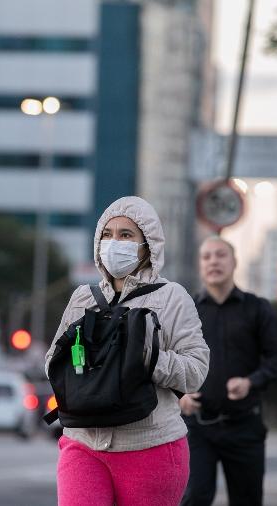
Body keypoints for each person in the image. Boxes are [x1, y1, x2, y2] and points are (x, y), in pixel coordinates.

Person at [45, 196, 210, 506]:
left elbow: (196, 371)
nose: (114, 242)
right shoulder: (83, 297)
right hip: (82, 442)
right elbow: (51, 362)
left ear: (147, 245)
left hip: (151, 446)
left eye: (126, 235)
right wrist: (84, 361)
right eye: (107, 234)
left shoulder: (173, 298)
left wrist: (147, 358)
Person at [179, 236, 277, 506]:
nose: (213, 261)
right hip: (197, 427)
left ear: (234, 262)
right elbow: (169, 360)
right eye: (207, 257)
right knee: (193, 497)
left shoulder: (258, 308)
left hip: (245, 426)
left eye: (220, 255)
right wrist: (178, 395)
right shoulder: (186, 310)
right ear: (200, 264)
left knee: (247, 500)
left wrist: (251, 382)